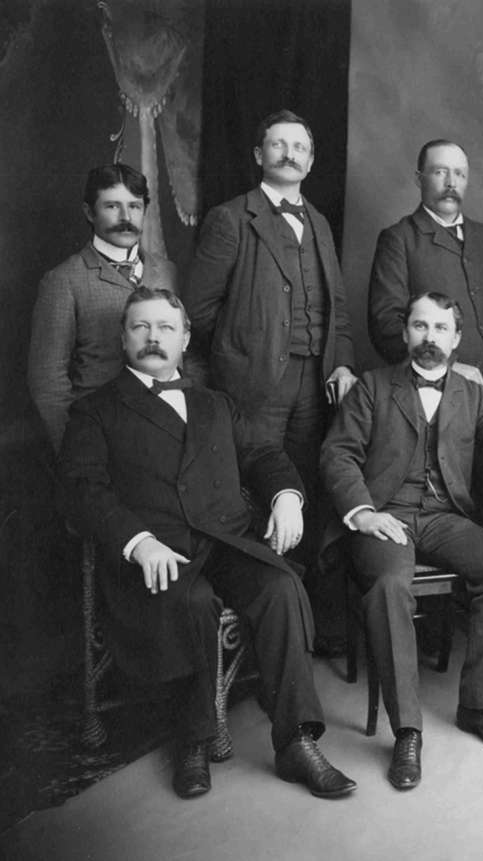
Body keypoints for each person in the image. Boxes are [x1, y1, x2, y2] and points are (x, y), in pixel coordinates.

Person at [58, 287, 356, 801]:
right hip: (160, 552)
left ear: (185, 338)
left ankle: (296, 742)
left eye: (166, 328)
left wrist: (287, 496)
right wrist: (138, 541)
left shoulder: (213, 403)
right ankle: (192, 741)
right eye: (141, 327)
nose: (154, 338)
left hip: (225, 541)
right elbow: (82, 490)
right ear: (122, 336)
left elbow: (264, 454)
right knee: (192, 603)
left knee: (281, 588)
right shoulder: (95, 410)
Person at [320, 291, 483, 792]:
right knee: (389, 586)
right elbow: (338, 456)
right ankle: (407, 730)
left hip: (444, 516)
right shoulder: (372, 388)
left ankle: (478, 706)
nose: (430, 338)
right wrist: (362, 513)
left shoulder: (471, 394)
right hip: (386, 516)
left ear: (457, 339)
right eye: (420, 327)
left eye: (440, 329)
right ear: (405, 334)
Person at [184, 109, 357, 652]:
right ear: (259, 155)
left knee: (303, 493)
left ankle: (296, 630)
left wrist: (343, 363)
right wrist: (243, 353)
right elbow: (199, 310)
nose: (289, 154)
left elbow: (339, 310)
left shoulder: (321, 222)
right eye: (278, 145)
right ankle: (254, 633)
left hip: (317, 386)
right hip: (253, 386)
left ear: (310, 159)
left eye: (299, 147)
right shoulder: (231, 218)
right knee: (255, 497)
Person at [29, 163, 178, 450]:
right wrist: (79, 451)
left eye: (135, 206)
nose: (126, 217)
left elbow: (186, 354)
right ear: (89, 212)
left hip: (168, 434)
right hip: (103, 436)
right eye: (112, 206)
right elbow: (47, 382)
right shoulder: (63, 281)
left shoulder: (168, 272)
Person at [367, 139, 483, 412]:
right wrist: (446, 367)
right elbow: (386, 324)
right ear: (419, 178)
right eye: (440, 172)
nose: (451, 182)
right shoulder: (398, 238)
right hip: (430, 396)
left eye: (459, 173)